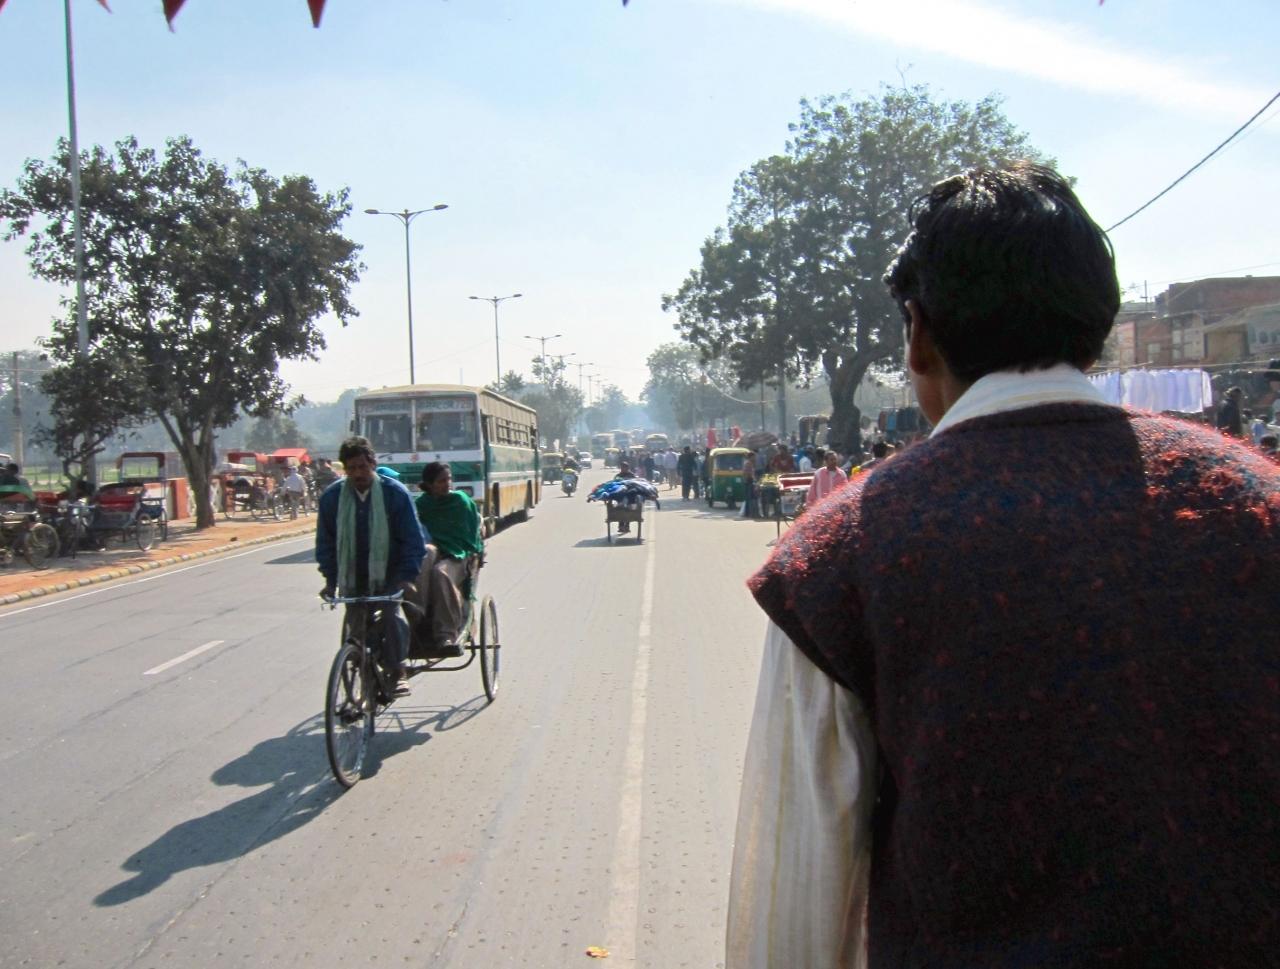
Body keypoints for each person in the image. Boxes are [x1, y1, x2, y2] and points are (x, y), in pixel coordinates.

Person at [727, 163, 1280, 968]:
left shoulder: (842, 554)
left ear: (918, 334)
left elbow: (795, 917)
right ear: (1095, 323)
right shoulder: (1259, 505)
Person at [316, 436, 426, 693]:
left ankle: (398, 670)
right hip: (353, 574)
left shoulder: (394, 493)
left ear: (373, 464)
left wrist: (405, 577)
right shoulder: (332, 498)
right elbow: (326, 544)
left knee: (390, 615)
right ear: (345, 469)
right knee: (356, 628)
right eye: (351, 468)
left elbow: (413, 541)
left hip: (392, 572)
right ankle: (362, 676)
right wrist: (330, 580)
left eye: (362, 467)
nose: (358, 474)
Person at [414, 462, 484, 655]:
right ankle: (416, 616)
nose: (447, 484)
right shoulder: (422, 505)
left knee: (440, 572)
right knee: (424, 556)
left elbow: (471, 535)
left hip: (458, 553)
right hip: (436, 547)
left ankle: (446, 633)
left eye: (449, 479)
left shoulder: (460, 501)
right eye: (441, 481)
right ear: (429, 484)